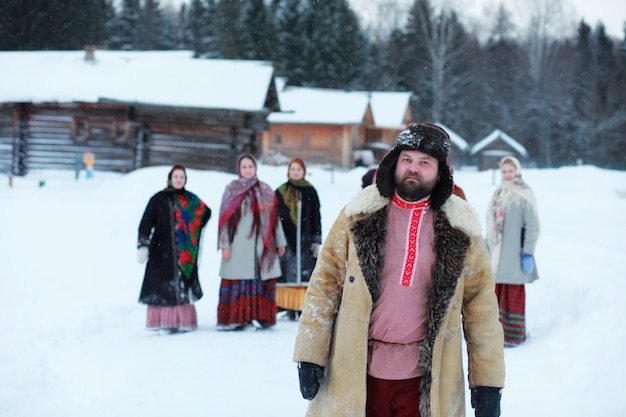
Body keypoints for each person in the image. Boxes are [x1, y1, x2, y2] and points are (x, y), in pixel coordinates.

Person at [293, 122, 505, 417]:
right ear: (394, 162)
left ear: (440, 170)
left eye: (424, 162)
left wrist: (487, 382)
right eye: (407, 159)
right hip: (357, 373)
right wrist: (310, 354)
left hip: (427, 381)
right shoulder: (358, 214)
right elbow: (324, 285)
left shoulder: (461, 228)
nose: (413, 169)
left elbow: (481, 310)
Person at [136, 165, 211, 334]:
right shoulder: (157, 199)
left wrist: (190, 231)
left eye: (182, 177)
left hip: (184, 254)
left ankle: (183, 321)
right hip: (160, 251)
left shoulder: (190, 199)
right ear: (170, 178)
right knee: (162, 286)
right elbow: (146, 223)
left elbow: (205, 212)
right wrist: (143, 245)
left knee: (182, 285)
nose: (179, 180)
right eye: (176, 176)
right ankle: (163, 322)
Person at [217, 153, 287, 330]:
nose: (247, 170)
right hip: (238, 245)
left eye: (250, 166)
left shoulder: (265, 190)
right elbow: (224, 220)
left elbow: (274, 219)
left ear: (255, 168)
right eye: (244, 167)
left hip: (262, 247)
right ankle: (238, 318)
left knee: (259, 279)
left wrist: (280, 241)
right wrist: (224, 245)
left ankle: (261, 316)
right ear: (239, 169)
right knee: (239, 280)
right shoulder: (231, 189)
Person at [485, 156, 540, 347]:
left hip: (514, 256)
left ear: (517, 171)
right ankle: (495, 335)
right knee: (495, 296)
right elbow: (491, 223)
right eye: (504, 171)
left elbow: (532, 226)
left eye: (511, 171)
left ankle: (513, 335)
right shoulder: (499, 192)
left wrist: (527, 252)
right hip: (496, 256)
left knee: (512, 295)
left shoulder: (524, 193)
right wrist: (486, 247)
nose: (507, 175)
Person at [275, 159, 322, 320]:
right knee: (288, 273)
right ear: (288, 171)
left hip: (306, 240)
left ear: (303, 171)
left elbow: (316, 217)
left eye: (299, 169)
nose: (295, 172)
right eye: (293, 169)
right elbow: (275, 218)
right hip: (287, 240)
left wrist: (316, 240)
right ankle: (288, 307)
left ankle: (303, 307)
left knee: (305, 274)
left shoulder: (310, 191)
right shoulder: (280, 192)